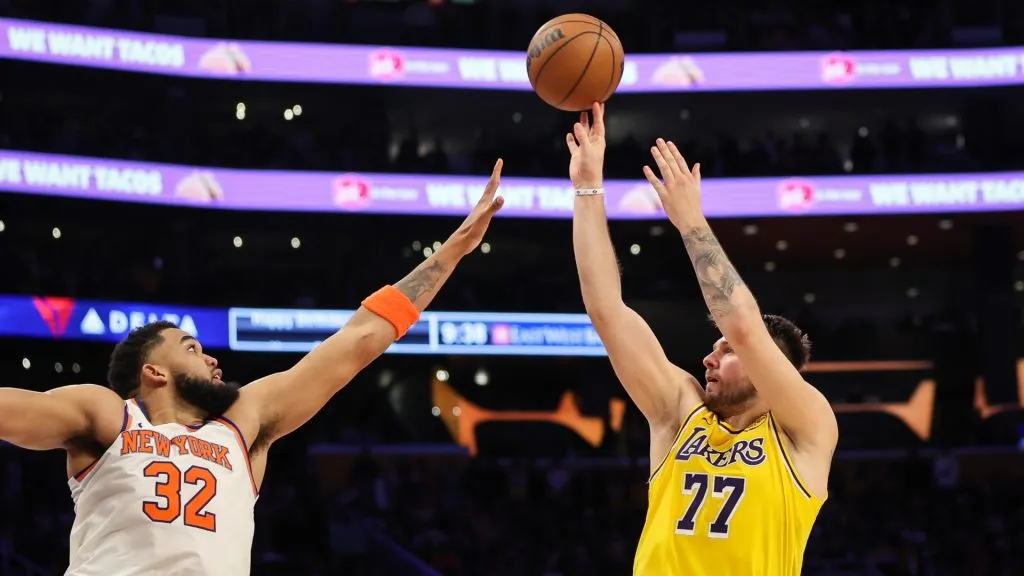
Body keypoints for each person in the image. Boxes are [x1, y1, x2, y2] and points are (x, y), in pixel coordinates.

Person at [0, 160, 506, 576]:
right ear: (153, 371)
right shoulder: (107, 415)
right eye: (192, 347)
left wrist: (454, 249)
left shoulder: (242, 425)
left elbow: (358, 340)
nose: (213, 357)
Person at [567, 103, 838, 575]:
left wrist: (691, 222)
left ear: (771, 365)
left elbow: (744, 327)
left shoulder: (806, 431)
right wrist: (587, 186)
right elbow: (606, 311)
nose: (707, 360)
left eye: (726, 353)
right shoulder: (680, 413)